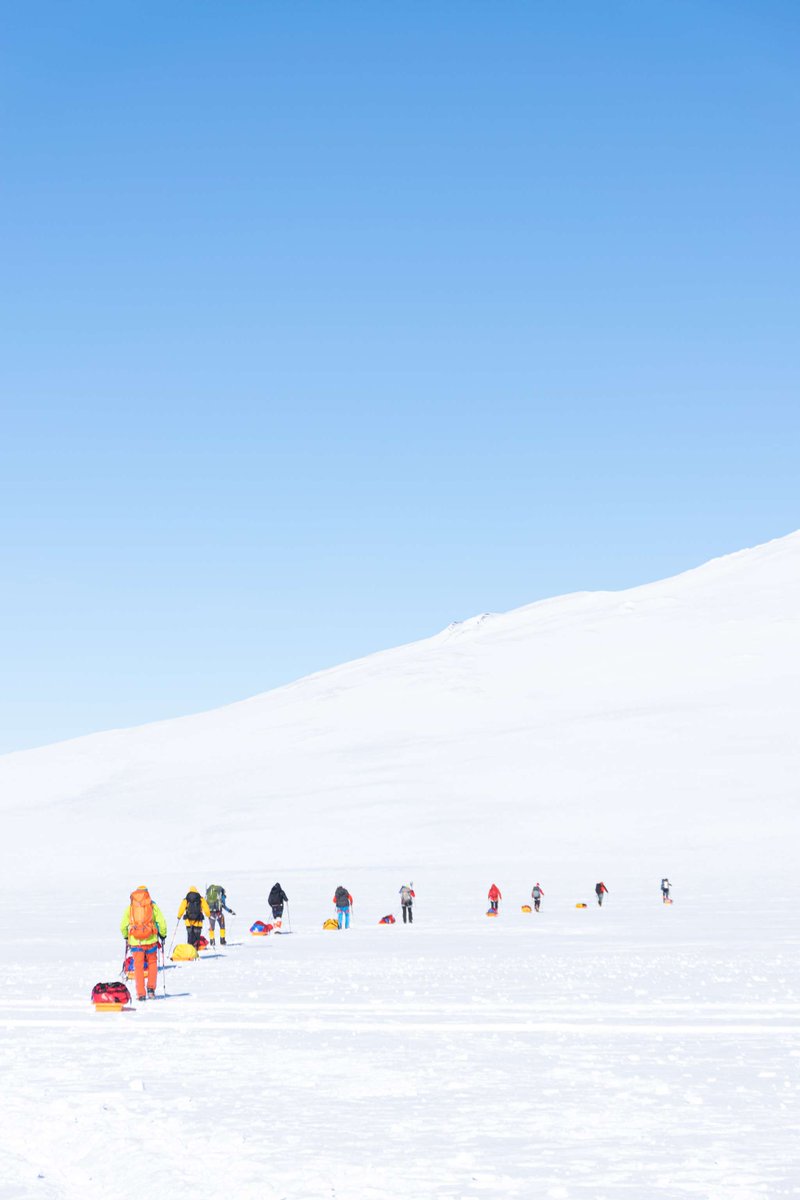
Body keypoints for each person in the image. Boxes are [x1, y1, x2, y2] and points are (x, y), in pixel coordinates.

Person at [120, 885, 167, 1002]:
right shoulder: (152, 905)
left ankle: (141, 994)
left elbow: (123, 925)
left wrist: (126, 936)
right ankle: (151, 990)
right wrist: (163, 934)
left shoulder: (131, 907)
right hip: (151, 940)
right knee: (152, 964)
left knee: (138, 967)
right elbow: (161, 922)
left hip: (136, 942)